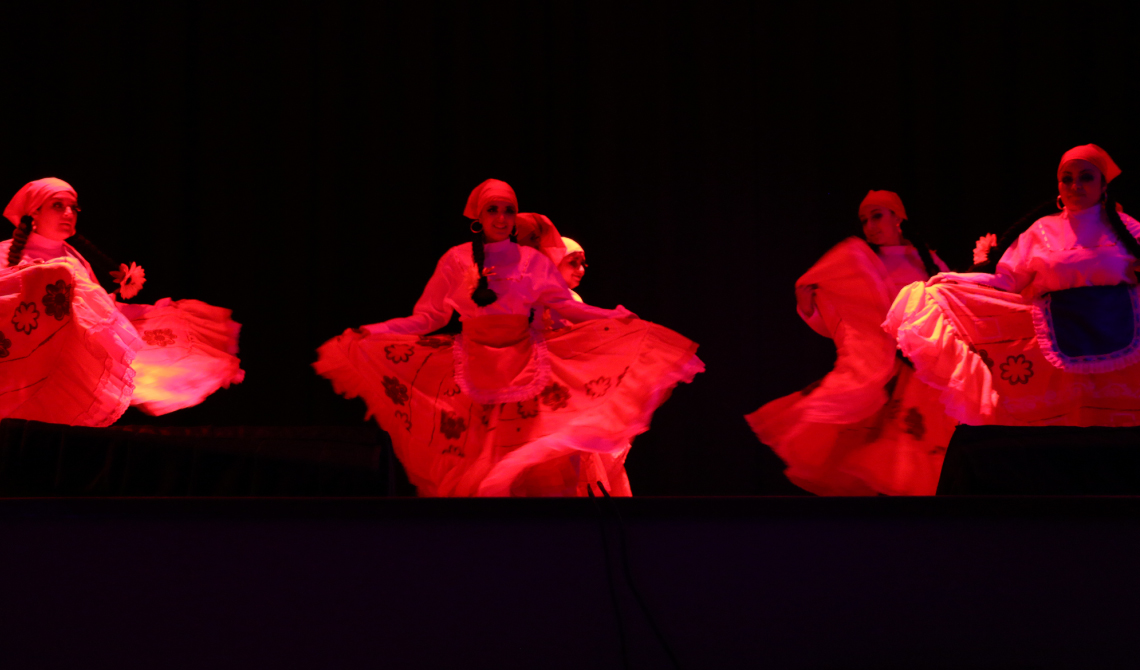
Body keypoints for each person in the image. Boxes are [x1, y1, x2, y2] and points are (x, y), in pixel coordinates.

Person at [314, 179, 703, 497]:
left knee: (538, 469)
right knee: (477, 471)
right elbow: (429, 316)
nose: (501, 217)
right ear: (478, 217)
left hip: (526, 367)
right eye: (493, 209)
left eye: (508, 209)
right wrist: (376, 332)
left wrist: (613, 316)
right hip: (473, 370)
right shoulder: (457, 259)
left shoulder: (532, 262)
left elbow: (566, 307)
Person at [885, 144, 1140, 426]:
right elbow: (1006, 281)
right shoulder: (1041, 230)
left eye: (1086, 177)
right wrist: (955, 284)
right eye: (1067, 178)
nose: (1075, 185)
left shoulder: (1128, 229)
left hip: (1121, 333)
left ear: (1104, 184)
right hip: (1058, 334)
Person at [746, 190, 957, 496]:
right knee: (862, 466)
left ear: (898, 218)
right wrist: (809, 308)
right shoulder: (857, 265)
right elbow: (847, 327)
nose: (870, 226)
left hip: (920, 375)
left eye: (877, 216)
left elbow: (952, 306)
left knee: (908, 468)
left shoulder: (929, 261)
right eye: (864, 220)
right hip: (878, 371)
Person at [0, 177, 243, 425]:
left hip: (68, 357)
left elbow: (100, 309)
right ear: (34, 211)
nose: (69, 213)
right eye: (57, 205)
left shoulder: (74, 258)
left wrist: (149, 312)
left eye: (74, 207)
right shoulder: (5, 253)